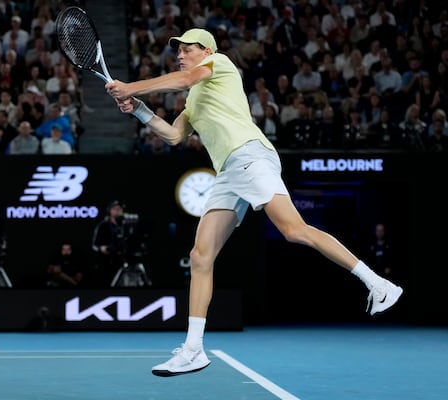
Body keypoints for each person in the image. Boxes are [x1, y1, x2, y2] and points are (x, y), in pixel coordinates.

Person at [105, 28, 403, 377]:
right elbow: (173, 135)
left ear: (206, 50)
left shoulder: (220, 64)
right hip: (228, 171)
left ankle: (379, 284)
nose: (181, 54)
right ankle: (193, 350)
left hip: (250, 155)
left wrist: (132, 87)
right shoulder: (194, 99)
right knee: (201, 256)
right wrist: (138, 109)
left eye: (187, 49)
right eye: (179, 51)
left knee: (294, 230)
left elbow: (184, 78)